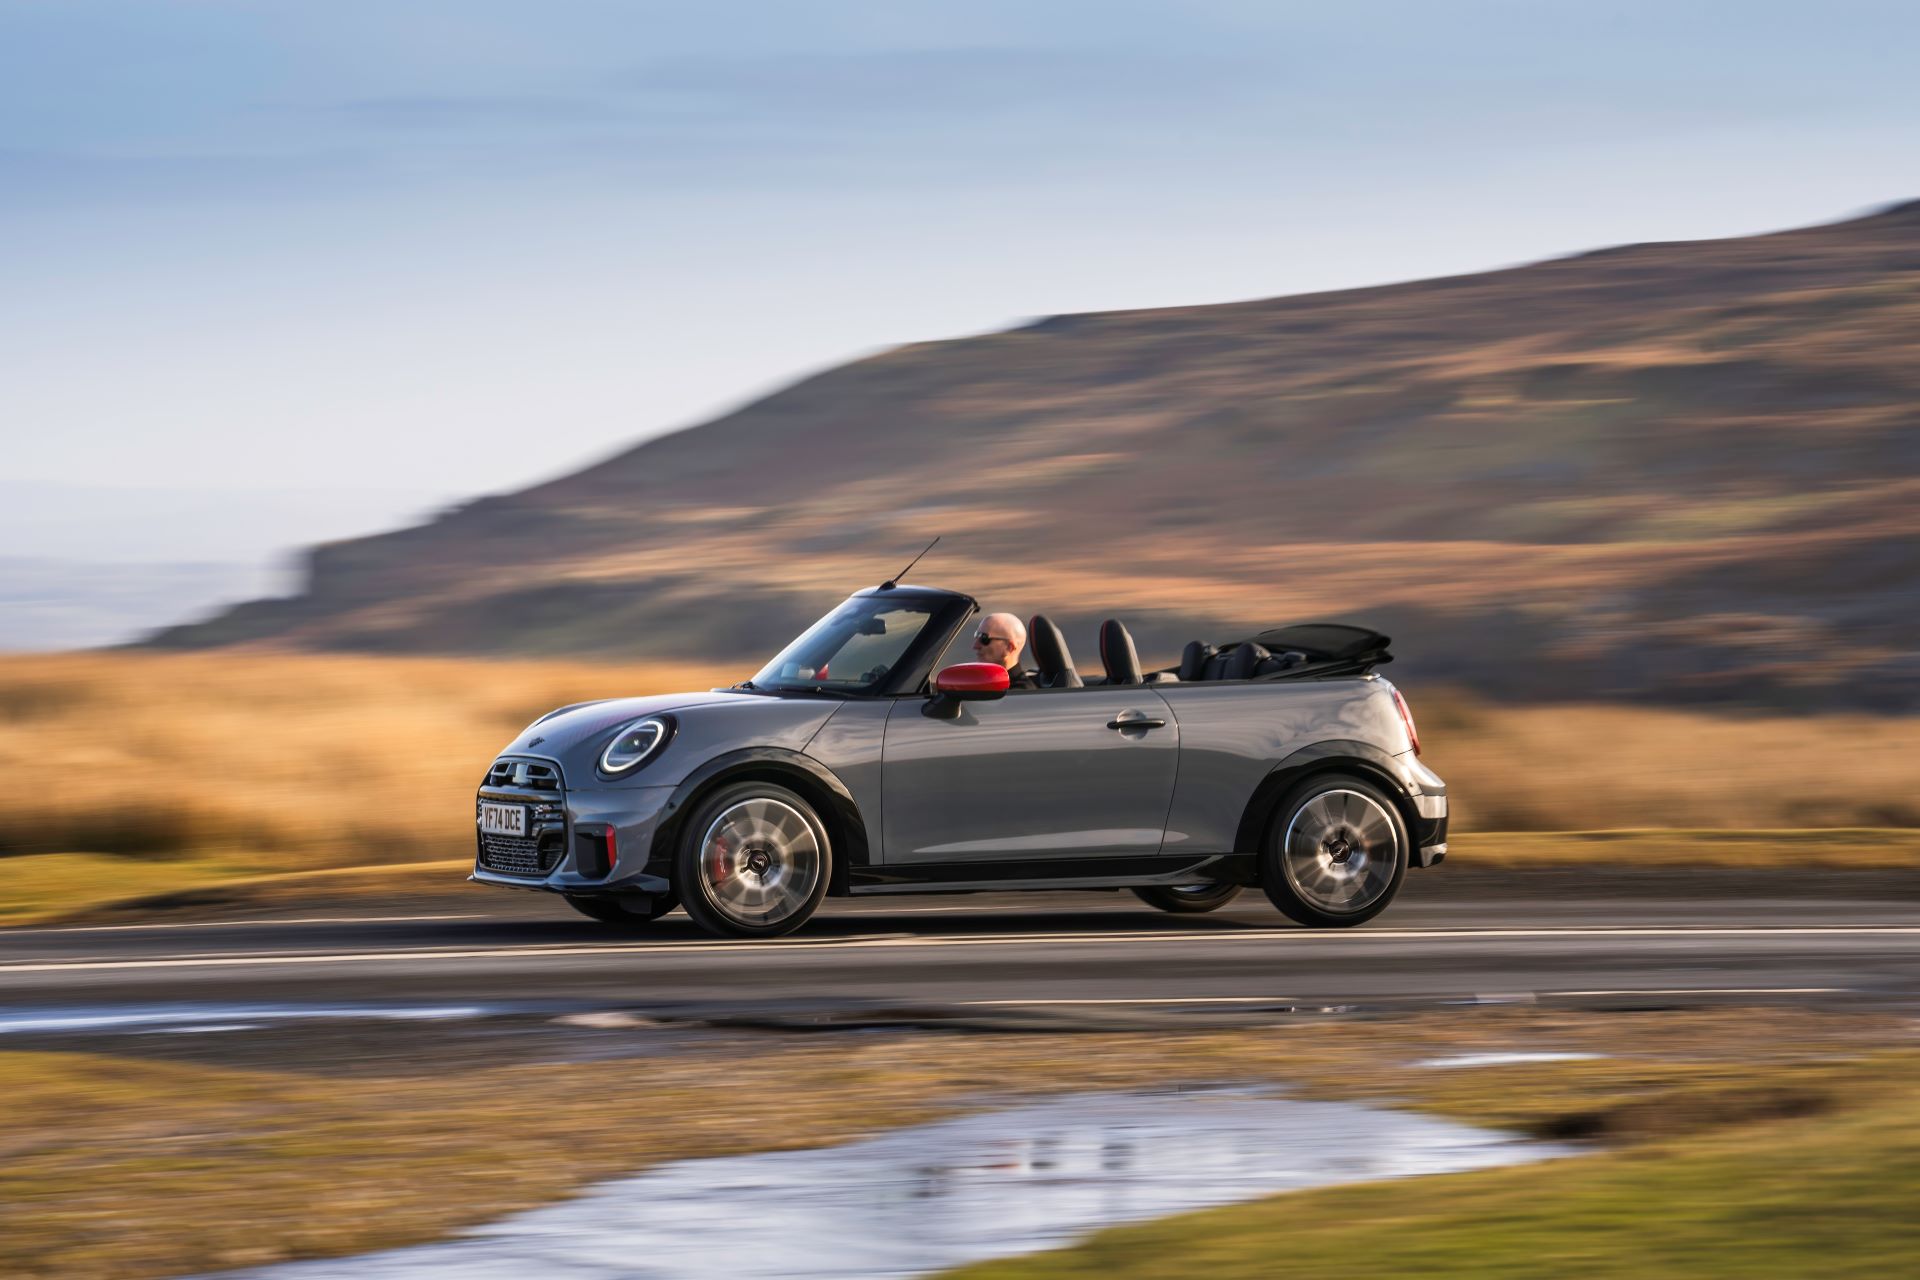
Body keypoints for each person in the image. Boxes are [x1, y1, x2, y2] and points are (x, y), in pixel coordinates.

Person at [971, 612, 1034, 688]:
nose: (975, 646)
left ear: (1009, 648)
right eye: (977, 636)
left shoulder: (1019, 692)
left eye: (984, 639)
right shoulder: (985, 682)